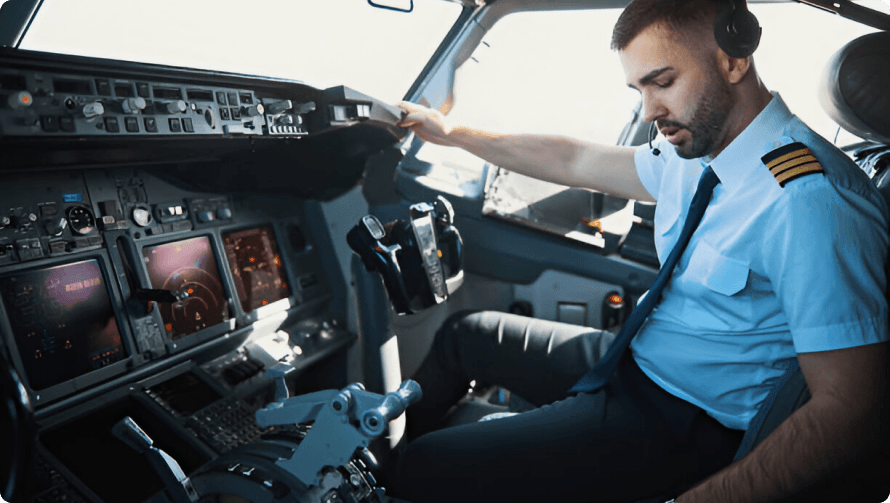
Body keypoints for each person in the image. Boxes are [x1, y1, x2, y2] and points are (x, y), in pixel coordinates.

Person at [386, 0, 890, 501]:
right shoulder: (697, 148)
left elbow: (847, 411)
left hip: (682, 420)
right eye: (640, 89)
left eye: (663, 82)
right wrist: (451, 133)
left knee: (424, 468)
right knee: (466, 336)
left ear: (733, 60)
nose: (650, 112)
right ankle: (378, 454)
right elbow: (576, 157)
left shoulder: (811, 202)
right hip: (633, 362)